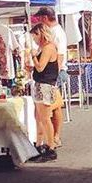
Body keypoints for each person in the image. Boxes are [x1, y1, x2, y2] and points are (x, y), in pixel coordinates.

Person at [34, 7, 67, 148]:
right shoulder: (53, 32)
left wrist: (53, 75)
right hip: (50, 75)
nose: (39, 21)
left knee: (54, 107)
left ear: (45, 18)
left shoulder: (57, 33)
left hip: (53, 75)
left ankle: (55, 137)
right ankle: (51, 139)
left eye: (40, 18)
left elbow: (60, 56)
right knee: (50, 109)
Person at [29, 23, 60, 162]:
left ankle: (50, 147)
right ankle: (39, 144)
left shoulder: (48, 47)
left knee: (45, 118)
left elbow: (41, 67)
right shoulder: (44, 47)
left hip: (45, 85)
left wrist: (34, 57)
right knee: (39, 117)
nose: (34, 39)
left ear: (40, 33)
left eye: (35, 36)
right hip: (41, 84)